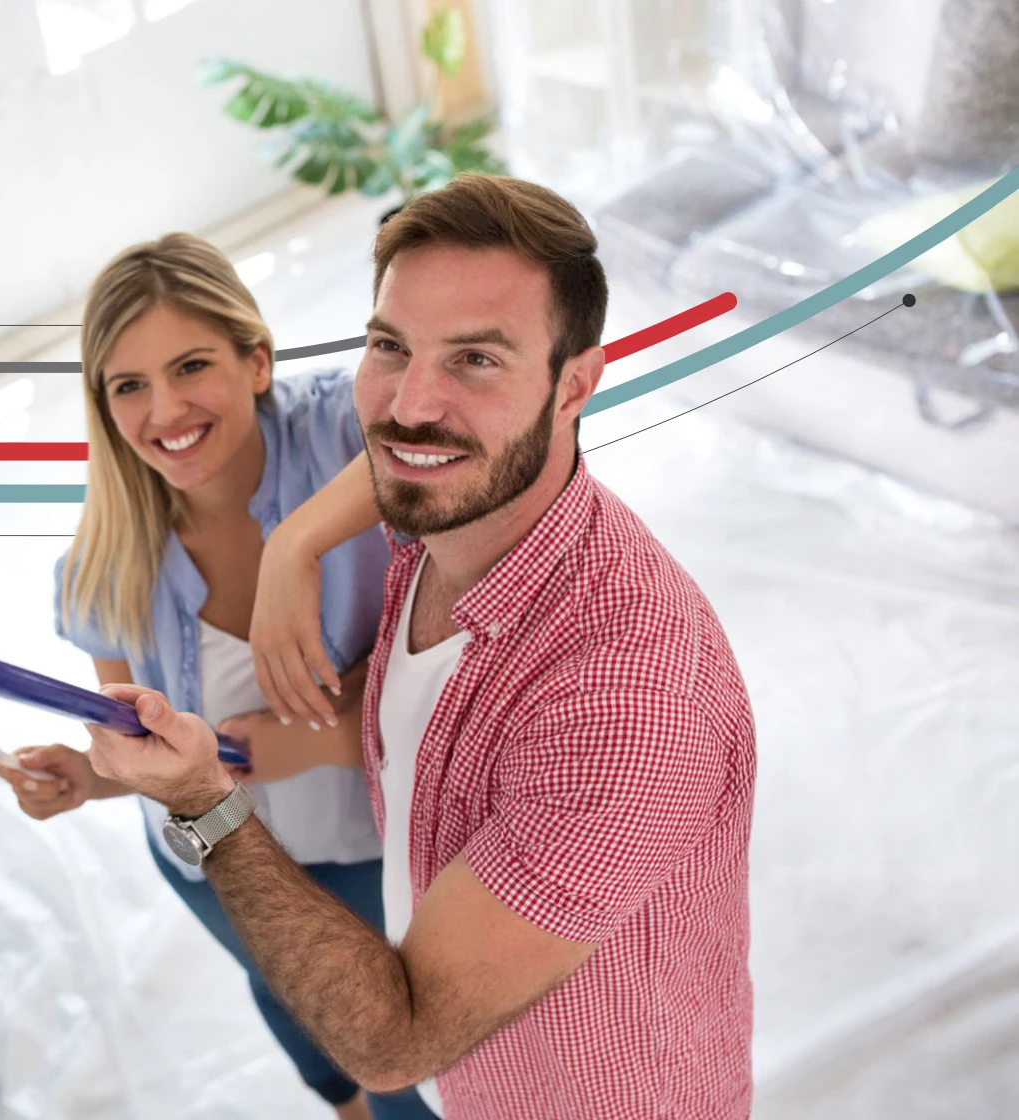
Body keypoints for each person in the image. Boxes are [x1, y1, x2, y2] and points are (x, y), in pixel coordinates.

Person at [82, 175, 759, 1119]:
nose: (412, 404)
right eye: (390, 346)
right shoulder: (428, 539)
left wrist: (208, 802)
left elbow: (393, 1042)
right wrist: (299, 542)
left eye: (476, 358)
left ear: (575, 384)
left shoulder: (626, 700)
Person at [0, 232, 436, 1119]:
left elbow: (466, 428)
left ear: (258, 361)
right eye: (128, 385)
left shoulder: (343, 435)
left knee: (418, 1068)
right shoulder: (105, 564)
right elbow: (137, 752)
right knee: (301, 1012)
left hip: (383, 852)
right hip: (225, 868)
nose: (165, 410)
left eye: (191, 365)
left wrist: (295, 556)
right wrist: (88, 776)